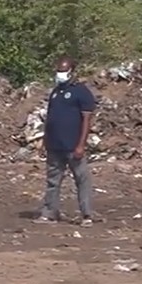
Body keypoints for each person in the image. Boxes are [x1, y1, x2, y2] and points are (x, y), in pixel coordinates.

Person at [35, 57, 96, 225]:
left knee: (81, 179)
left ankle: (86, 214)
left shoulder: (81, 91)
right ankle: (49, 212)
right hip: (55, 145)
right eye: (58, 71)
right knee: (52, 181)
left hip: (73, 145)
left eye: (63, 71)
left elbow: (86, 119)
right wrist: (45, 140)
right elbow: (50, 118)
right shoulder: (55, 92)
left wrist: (81, 144)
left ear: (71, 72)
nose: (59, 75)